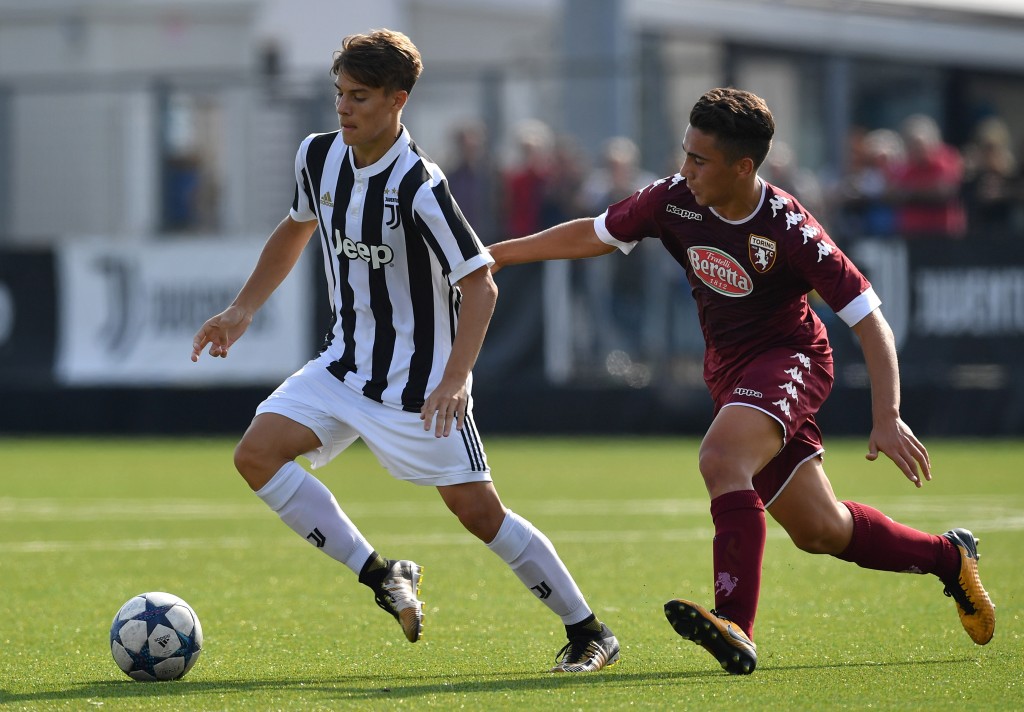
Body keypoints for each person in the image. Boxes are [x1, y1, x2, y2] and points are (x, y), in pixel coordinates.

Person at [488, 87, 995, 675]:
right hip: (731, 374)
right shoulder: (673, 200)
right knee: (820, 530)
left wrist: (888, 415)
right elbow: (592, 234)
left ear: (743, 166)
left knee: (721, 458)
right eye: (685, 154)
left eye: (699, 160)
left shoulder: (789, 226)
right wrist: (500, 253)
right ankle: (948, 558)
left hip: (792, 358)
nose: (685, 170)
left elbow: (868, 318)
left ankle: (735, 622)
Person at [190, 29, 618, 674]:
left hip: (419, 388)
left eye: (359, 97)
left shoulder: (421, 185)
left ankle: (589, 631)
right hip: (342, 366)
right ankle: (384, 574)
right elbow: (297, 225)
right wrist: (242, 309)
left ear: (399, 100)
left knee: (479, 514)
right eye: (339, 94)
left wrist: (455, 378)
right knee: (256, 453)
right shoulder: (318, 157)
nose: (344, 108)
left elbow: (480, 284)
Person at [889, 114, 966, 240]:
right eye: (912, 144)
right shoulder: (904, 166)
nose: (917, 149)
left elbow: (943, 191)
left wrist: (911, 192)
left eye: (920, 144)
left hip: (942, 232)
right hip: (912, 232)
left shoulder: (947, 159)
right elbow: (894, 192)